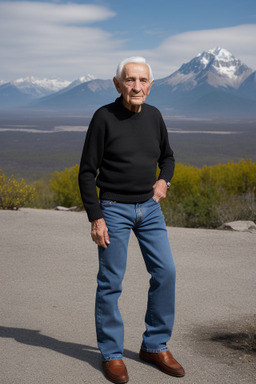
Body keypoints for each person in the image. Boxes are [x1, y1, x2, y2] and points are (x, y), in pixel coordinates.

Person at [79, 57, 185, 383]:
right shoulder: (104, 118)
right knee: (111, 282)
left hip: (149, 209)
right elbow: (86, 172)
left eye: (142, 81)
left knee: (166, 272)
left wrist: (163, 180)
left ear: (150, 86)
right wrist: (96, 218)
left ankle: (154, 345)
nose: (136, 86)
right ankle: (111, 354)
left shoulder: (154, 116)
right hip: (113, 209)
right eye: (129, 80)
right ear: (117, 84)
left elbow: (167, 157)